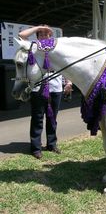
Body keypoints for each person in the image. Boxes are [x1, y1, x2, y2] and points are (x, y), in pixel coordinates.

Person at [18, 25, 73, 159]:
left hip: (55, 88)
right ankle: (36, 147)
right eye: (40, 34)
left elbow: (64, 66)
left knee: (52, 118)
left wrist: (68, 82)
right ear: (37, 36)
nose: (43, 36)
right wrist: (38, 27)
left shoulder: (56, 48)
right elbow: (22, 35)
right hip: (37, 88)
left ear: (50, 35)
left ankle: (51, 144)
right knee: (37, 118)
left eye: (46, 34)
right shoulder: (33, 46)